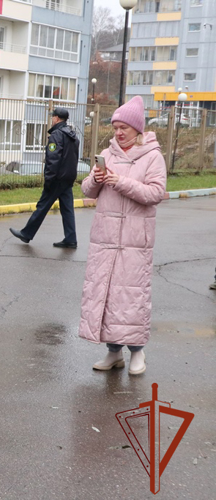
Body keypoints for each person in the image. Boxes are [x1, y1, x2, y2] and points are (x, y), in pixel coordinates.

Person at [78, 96, 167, 376]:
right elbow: (87, 191)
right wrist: (96, 178)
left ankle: (137, 352)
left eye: (124, 127)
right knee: (105, 296)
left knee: (132, 297)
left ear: (137, 130)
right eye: (115, 126)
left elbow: (155, 194)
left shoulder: (153, 156)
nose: (118, 132)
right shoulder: (110, 154)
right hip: (105, 240)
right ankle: (113, 352)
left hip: (134, 242)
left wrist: (121, 182)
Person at [10, 107, 79, 248]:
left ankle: (26, 233)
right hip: (68, 178)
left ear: (57, 118)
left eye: (52, 117)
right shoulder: (73, 135)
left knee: (42, 206)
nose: (52, 119)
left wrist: (49, 179)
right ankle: (71, 238)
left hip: (57, 179)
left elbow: (53, 160)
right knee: (67, 209)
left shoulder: (57, 135)